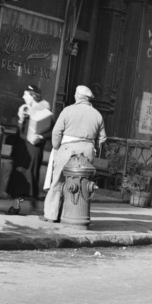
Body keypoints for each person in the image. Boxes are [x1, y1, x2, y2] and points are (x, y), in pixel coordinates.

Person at [41, 84, 106, 223]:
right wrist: (92, 147)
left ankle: (51, 215)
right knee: (82, 184)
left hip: (67, 149)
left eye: (75, 94)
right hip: (87, 151)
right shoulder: (97, 114)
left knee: (58, 181)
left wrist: (56, 146)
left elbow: (56, 132)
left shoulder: (68, 110)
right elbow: (102, 139)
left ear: (78, 96)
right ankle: (70, 214)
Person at [9, 85, 53, 198]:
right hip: (21, 148)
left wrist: (41, 137)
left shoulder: (44, 112)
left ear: (33, 96)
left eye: (26, 94)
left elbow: (52, 132)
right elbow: (20, 131)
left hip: (33, 149)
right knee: (18, 177)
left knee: (29, 176)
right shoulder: (24, 109)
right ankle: (19, 204)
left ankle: (27, 204)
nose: (23, 97)